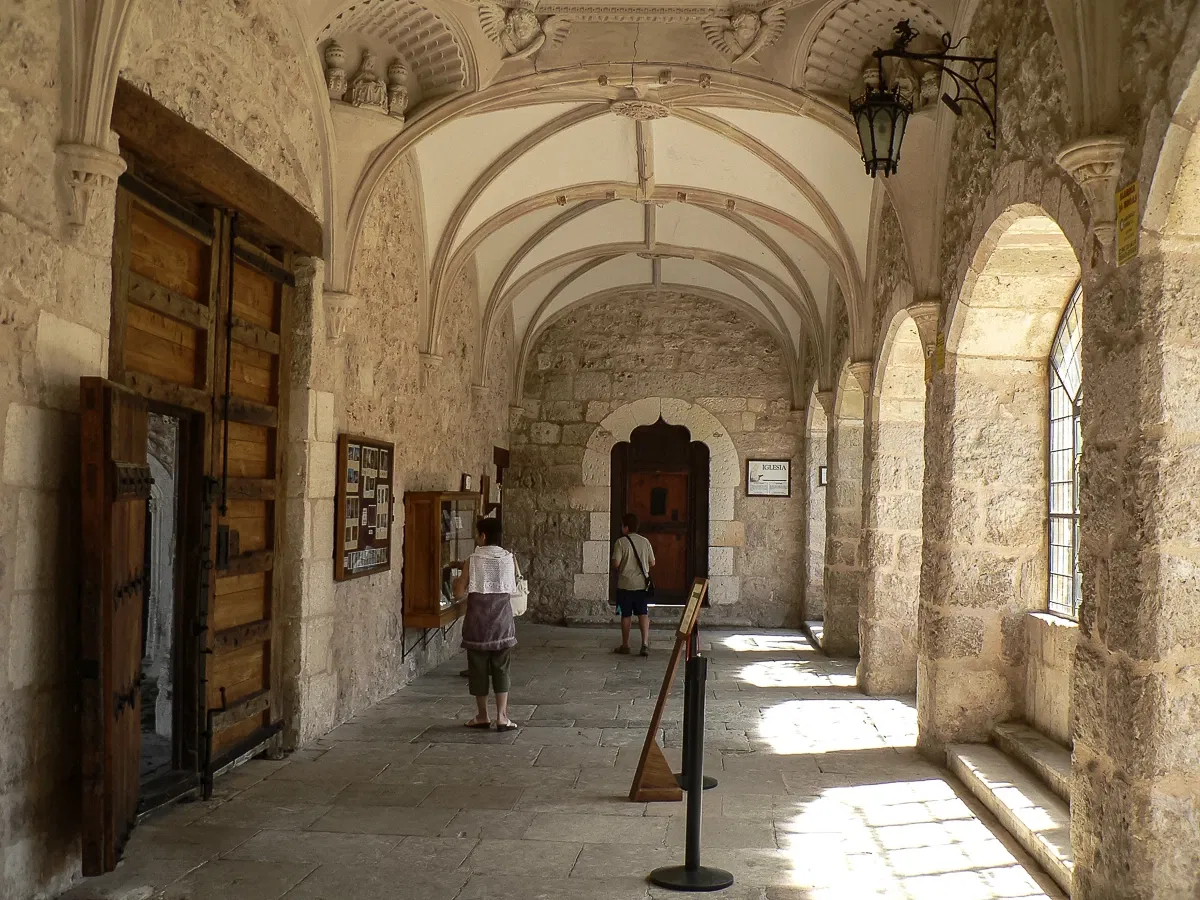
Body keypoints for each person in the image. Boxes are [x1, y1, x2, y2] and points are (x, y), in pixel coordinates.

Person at [453, 518, 519, 730]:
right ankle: (502, 717)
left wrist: (457, 580)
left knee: (478, 670)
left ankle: (483, 715)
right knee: (502, 669)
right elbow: (513, 588)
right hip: (502, 623)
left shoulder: (472, 560)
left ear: (483, 536)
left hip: (477, 624)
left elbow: (459, 592)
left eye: (477, 533)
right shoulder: (509, 558)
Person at [612, 512, 655, 656]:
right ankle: (645, 644)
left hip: (625, 585)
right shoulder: (645, 541)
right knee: (643, 613)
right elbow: (652, 562)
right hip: (642, 585)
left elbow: (616, 563)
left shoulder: (620, 542)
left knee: (625, 615)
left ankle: (626, 645)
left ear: (626, 527)